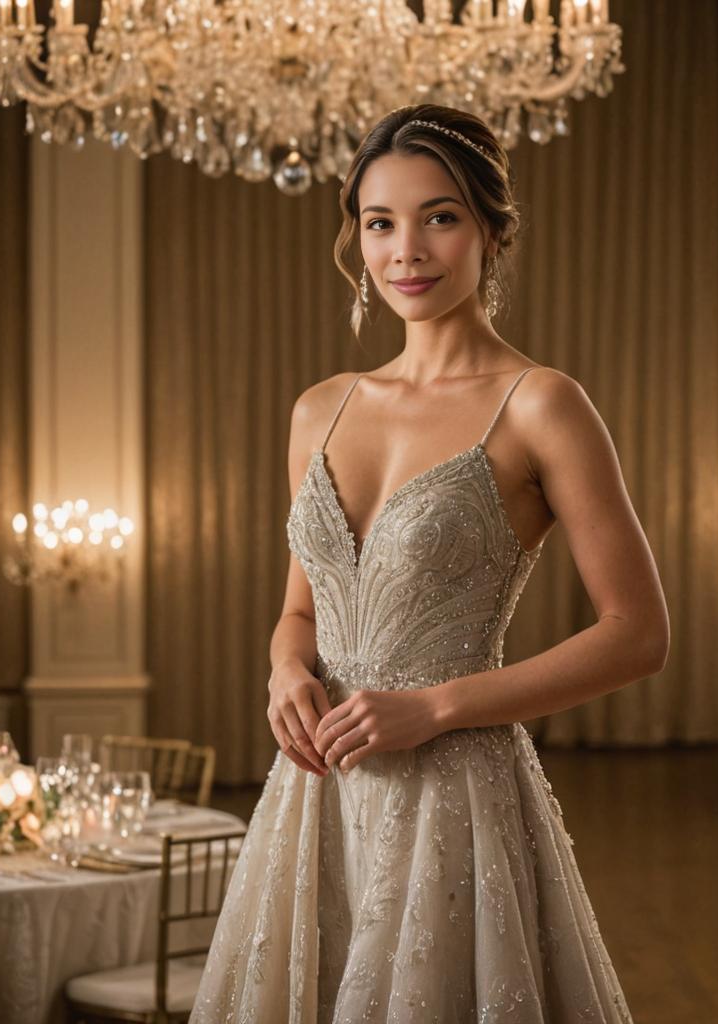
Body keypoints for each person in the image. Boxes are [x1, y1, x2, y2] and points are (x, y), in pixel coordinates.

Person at [191, 102, 669, 1023]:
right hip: (318, 793)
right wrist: (285, 668)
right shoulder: (319, 409)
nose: (406, 248)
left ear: (491, 231)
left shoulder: (541, 405)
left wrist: (432, 708)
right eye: (381, 223)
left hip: (455, 795)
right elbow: (303, 609)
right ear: (359, 238)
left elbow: (637, 635)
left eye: (438, 216)